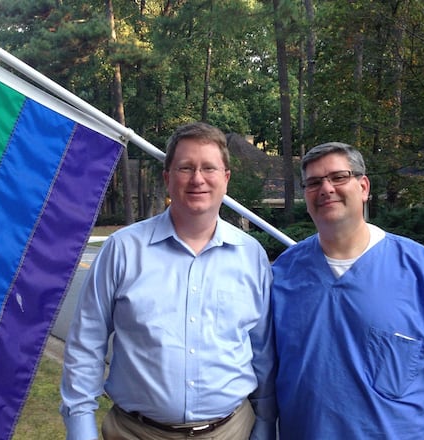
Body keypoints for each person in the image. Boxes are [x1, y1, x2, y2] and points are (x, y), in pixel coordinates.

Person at [60, 122, 276, 440]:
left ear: (226, 178)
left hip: (231, 431)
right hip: (135, 432)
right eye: (185, 168)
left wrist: (266, 424)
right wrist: (80, 428)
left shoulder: (251, 256)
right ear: (167, 178)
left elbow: (263, 352)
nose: (198, 179)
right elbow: (85, 345)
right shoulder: (123, 249)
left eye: (208, 168)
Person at [271, 142, 424, 439]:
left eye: (339, 177)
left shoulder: (419, 268)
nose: (326, 188)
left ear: (364, 186)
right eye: (313, 182)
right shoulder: (283, 273)